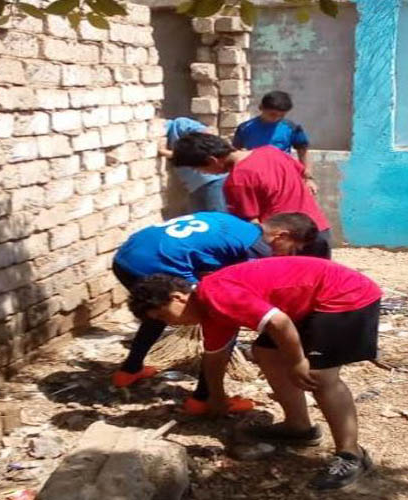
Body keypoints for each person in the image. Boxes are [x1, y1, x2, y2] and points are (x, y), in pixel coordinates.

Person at [127, 256, 382, 490]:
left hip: (344, 295)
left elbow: (279, 322)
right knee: (266, 353)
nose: (169, 324)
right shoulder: (209, 312)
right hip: (308, 303)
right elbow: (215, 357)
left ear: (178, 298)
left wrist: (296, 362)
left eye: (164, 316)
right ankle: (299, 427)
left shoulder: (215, 294)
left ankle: (351, 455)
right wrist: (217, 397)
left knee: (320, 376)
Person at [111, 211, 319, 416]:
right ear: (281, 236)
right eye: (293, 248)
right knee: (223, 316)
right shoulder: (257, 248)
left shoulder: (232, 223)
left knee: (158, 312)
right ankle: (203, 399)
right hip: (157, 264)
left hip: (125, 260)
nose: (289, 254)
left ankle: (129, 370)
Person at [173, 132, 333, 259]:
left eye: (199, 169)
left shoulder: (237, 180)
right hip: (318, 229)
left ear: (212, 160)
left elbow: (251, 227)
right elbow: (302, 174)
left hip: (288, 242)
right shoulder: (271, 152)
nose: (204, 174)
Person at [232, 90, 317, 195]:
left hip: (282, 177)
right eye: (272, 114)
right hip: (254, 177)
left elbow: (303, 152)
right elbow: (236, 152)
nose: (276, 118)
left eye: (281, 116)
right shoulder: (245, 128)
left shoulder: (291, 128)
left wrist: (308, 179)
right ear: (261, 108)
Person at [158, 117, 228, 212]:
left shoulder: (179, 124)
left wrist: (168, 153)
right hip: (194, 185)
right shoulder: (168, 136)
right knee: (199, 217)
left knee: (217, 215)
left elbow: (207, 135)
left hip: (212, 180)